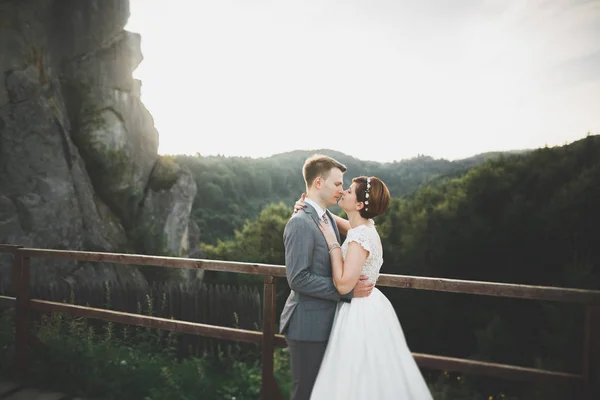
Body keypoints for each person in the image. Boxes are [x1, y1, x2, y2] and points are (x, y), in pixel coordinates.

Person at [295, 175, 433, 399]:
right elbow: (343, 225)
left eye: (349, 191)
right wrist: (310, 206)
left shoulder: (360, 238)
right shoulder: (364, 227)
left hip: (358, 311)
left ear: (359, 204)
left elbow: (342, 285)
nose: (343, 192)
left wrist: (332, 243)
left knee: (355, 374)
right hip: (371, 306)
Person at [280, 154, 375, 400]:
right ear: (318, 183)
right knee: (306, 393)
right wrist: (347, 292)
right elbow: (298, 279)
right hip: (307, 326)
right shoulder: (300, 223)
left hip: (331, 323)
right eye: (337, 184)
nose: (341, 191)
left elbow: (363, 232)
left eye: (344, 186)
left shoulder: (326, 219)